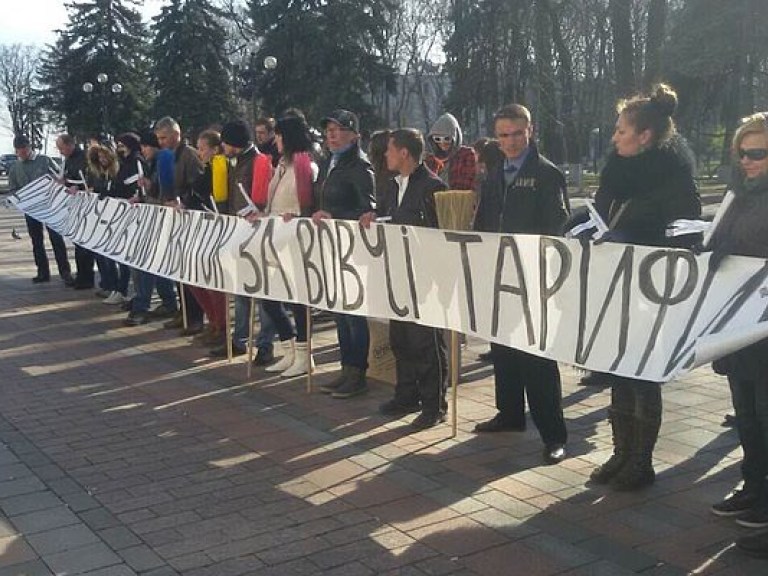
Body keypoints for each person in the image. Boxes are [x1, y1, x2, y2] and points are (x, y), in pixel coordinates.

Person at [586, 84, 701, 489]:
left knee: (643, 374)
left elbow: (688, 236)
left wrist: (637, 242)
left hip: (652, 293)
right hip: (613, 287)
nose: (614, 136)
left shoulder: (673, 176)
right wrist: (574, 235)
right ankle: (620, 454)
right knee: (618, 369)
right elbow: (597, 217)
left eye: (621, 130)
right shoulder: (615, 171)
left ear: (644, 135)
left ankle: (641, 461)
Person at [472, 103, 570, 465]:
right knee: (502, 350)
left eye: (516, 134)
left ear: (530, 131)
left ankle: (554, 435)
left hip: (533, 279)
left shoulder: (546, 174)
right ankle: (509, 414)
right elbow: (484, 220)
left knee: (537, 358)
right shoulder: (494, 172)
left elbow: (557, 229)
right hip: (499, 275)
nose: (509, 142)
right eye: (502, 135)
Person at [360, 128, 449, 429]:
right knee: (400, 338)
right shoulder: (390, 186)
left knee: (426, 342)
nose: (385, 155)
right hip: (396, 273)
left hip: (425, 277)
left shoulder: (433, 187)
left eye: (389, 149)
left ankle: (434, 404)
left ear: (404, 153)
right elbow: (385, 216)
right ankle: (406, 393)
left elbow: (442, 234)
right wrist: (372, 216)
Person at [709, 112, 768, 534]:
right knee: (746, 413)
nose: (748, 160)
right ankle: (753, 483)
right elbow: (718, 236)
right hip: (737, 324)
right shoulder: (738, 193)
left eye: (758, 152)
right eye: (742, 152)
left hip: (764, 323)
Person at [313, 109, 376, 399]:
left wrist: (335, 215)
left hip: (353, 251)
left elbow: (369, 212)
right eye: (328, 131)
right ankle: (346, 367)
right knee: (339, 311)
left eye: (338, 130)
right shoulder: (330, 163)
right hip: (332, 246)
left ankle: (358, 373)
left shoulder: (360, 167)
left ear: (354, 134)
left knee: (354, 315)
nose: (331, 136)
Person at [249, 113, 317, 377]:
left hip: (295, 239)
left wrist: (297, 216)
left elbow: (308, 202)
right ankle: (289, 348)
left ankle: (303, 352)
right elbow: (272, 199)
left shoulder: (305, 165)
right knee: (269, 297)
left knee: (299, 300)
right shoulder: (281, 165)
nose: (275, 140)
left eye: (278, 135)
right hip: (274, 235)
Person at [210, 119, 277, 364]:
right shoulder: (234, 162)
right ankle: (239, 339)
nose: (223, 148)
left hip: (256, 233)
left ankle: (265, 344)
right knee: (240, 291)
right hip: (237, 232)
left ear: (234, 143)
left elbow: (260, 199)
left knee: (263, 293)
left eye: (225, 143)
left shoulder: (258, 162)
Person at [153, 117, 205, 335]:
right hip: (175, 218)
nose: (161, 142)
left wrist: (182, 200)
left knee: (190, 272)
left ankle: (194, 317)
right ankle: (183, 311)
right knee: (178, 269)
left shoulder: (190, 155)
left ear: (176, 134)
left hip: (190, 219)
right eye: (158, 138)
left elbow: (198, 187)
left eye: (164, 137)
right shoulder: (168, 156)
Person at [123, 131, 179, 326]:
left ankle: (141, 306)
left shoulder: (164, 158)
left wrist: (149, 187)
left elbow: (165, 191)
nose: (143, 151)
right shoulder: (154, 162)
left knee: (145, 262)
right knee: (157, 264)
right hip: (155, 218)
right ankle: (169, 301)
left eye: (145, 147)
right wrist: (142, 196)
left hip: (160, 219)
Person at [184, 129, 229, 347]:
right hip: (201, 227)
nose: (199, 153)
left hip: (216, 228)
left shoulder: (221, 167)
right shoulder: (207, 169)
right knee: (195, 277)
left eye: (202, 149)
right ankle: (213, 321)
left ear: (215, 149)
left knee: (214, 281)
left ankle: (220, 325)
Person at [8, 135, 73, 284]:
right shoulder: (15, 168)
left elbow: (59, 177)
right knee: (37, 241)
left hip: (50, 207)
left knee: (56, 239)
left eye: (24, 150)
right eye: (19, 151)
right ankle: (42, 272)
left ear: (29, 147)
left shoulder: (44, 160)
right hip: (31, 210)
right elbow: (13, 189)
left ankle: (65, 272)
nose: (22, 153)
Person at [87, 142, 132, 304]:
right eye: (100, 157)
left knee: (121, 257)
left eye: (105, 156)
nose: (102, 159)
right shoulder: (101, 173)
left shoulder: (119, 172)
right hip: (104, 218)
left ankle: (122, 288)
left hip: (118, 217)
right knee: (107, 256)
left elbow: (120, 191)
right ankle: (113, 287)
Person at [55, 134, 93, 289]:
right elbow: (69, 177)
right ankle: (81, 276)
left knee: (85, 245)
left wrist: (78, 187)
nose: (60, 152)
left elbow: (92, 179)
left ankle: (87, 277)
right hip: (74, 205)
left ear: (70, 145)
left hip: (86, 204)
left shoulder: (85, 157)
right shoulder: (68, 160)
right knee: (78, 243)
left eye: (62, 148)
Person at [424, 112, 477, 191]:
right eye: (437, 139)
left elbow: (466, 185)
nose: (442, 143)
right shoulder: (431, 160)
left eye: (447, 138)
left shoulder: (466, 155)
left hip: (457, 201)